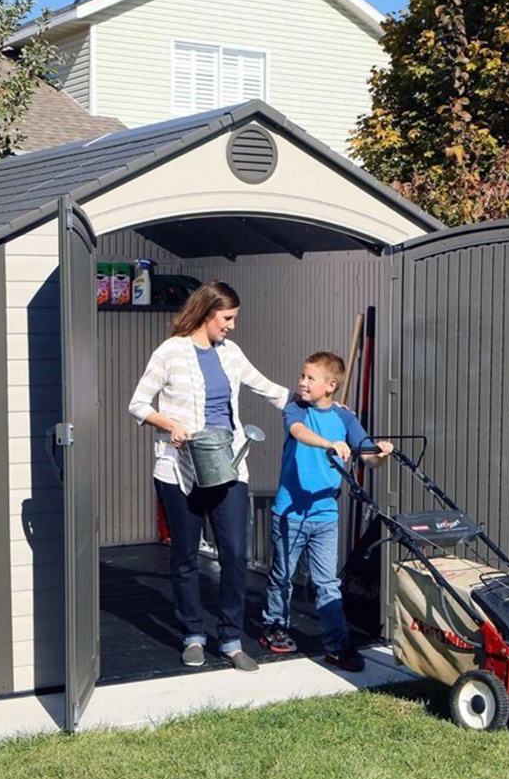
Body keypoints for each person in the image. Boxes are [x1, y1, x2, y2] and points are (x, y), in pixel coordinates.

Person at [129, 281, 290, 672]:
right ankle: (193, 635)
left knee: (234, 554)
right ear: (206, 312)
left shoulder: (231, 354)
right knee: (184, 557)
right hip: (179, 470)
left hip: (229, 467)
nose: (232, 326)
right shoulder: (170, 352)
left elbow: (269, 389)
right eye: (227, 318)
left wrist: (322, 404)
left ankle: (231, 639)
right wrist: (169, 423)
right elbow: (137, 404)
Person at [260, 351, 393, 671]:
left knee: (327, 584)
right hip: (289, 514)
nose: (302, 383)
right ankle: (274, 626)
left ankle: (337, 643)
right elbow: (298, 433)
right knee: (282, 577)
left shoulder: (345, 419)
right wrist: (329, 444)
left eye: (310, 378)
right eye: (302, 376)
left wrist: (382, 453)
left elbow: (368, 458)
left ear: (331, 385)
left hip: (325, 517)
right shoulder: (296, 409)